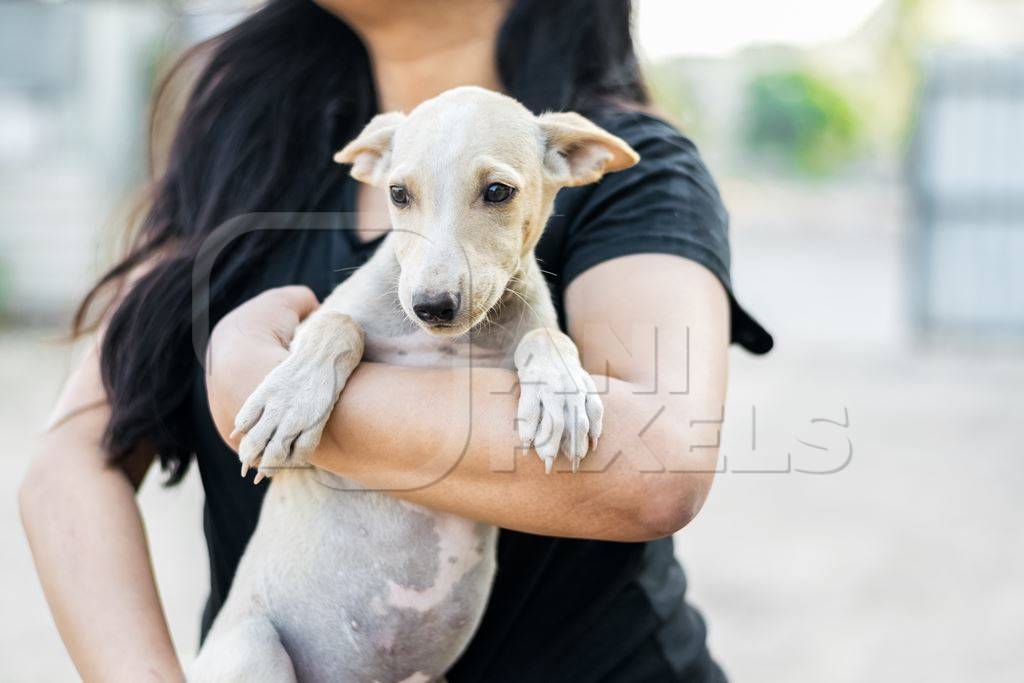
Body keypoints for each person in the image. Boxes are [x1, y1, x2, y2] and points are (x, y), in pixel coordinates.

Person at [19, 0, 771, 680]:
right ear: (380, 168)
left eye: (496, 193)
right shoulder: (245, 154)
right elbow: (71, 459)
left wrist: (266, 392)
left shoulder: (635, 167)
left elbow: (657, 465)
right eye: (403, 196)